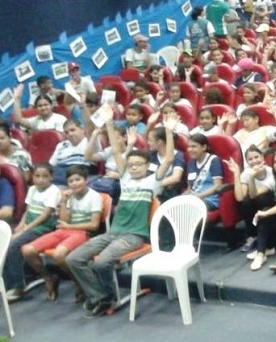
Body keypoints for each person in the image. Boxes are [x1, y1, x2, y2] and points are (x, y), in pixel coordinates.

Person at [66, 113, 177, 317]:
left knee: (101, 263)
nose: (133, 166)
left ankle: (106, 297)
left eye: (138, 164)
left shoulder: (153, 182)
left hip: (134, 236)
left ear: (147, 167)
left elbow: (169, 158)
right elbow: (116, 150)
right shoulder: (125, 179)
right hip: (113, 233)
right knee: (74, 258)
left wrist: (169, 132)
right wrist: (109, 122)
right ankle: (98, 296)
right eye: (131, 163)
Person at [20, 165, 102, 302]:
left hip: (83, 233)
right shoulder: (68, 196)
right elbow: (63, 221)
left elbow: (94, 225)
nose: (74, 183)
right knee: (27, 250)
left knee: (59, 255)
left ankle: (80, 283)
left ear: (86, 180)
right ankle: (48, 277)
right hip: (65, 230)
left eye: (78, 180)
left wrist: (70, 226)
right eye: (71, 181)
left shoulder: (94, 196)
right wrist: (64, 202)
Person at [4, 163, 59, 301]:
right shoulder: (33, 189)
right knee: (4, 243)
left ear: (51, 177)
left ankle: (18, 287)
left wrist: (23, 231)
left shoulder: (54, 191)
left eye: (45, 176)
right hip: (29, 225)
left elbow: (44, 216)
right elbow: (28, 211)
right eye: (37, 176)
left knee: (13, 246)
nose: (40, 179)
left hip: (44, 227)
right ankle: (7, 282)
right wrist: (21, 226)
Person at [182, 134, 224, 211]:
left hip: (209, 200)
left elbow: (217, 185)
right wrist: (182, 197)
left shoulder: (213, 160)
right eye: (188, 147)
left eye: (193, 146)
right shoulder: (190, 163)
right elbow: (190, 188)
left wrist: (197, 197)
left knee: (187, 211)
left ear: (204, 147)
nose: (190, 150)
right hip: (193, 198)